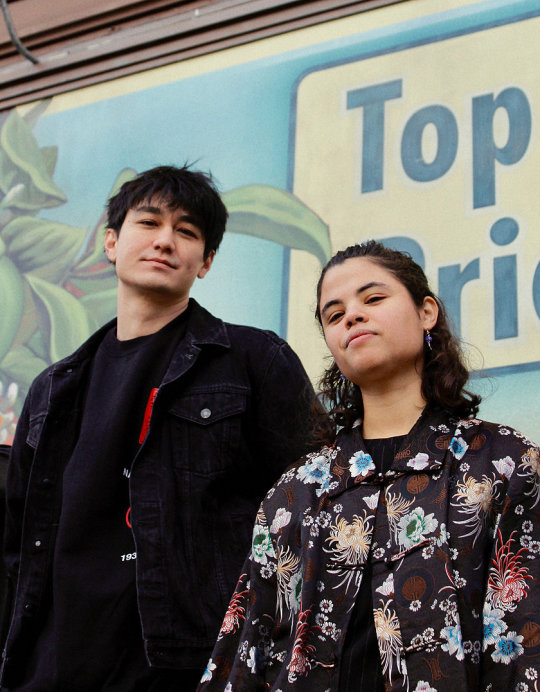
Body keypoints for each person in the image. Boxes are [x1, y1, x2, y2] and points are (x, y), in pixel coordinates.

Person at [1, 165, 319, 691]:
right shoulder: (51, 391)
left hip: (188, 666)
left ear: (206, 261)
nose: (165, 240)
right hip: (53, 669)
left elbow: (312, 514)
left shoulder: (253, 360)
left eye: (187, 231)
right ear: (111, 242)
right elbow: (17, 546)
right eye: (148, 222)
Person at [198, 240, 540, 691]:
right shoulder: (294, 492)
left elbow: (526, 642)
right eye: (334, 315)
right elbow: (246, 653)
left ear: (427, 312)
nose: (352, 317)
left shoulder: (501, 460)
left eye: (373, 298)